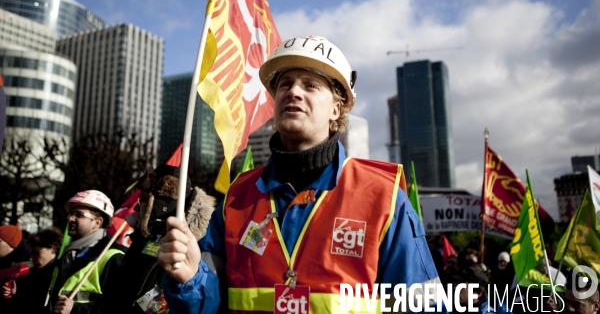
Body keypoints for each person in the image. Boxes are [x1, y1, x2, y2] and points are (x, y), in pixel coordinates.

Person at [157, 36, 445, 313]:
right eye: (285, 84)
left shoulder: (384, 197)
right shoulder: (237, 197)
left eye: (310, 85)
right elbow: (209, 304)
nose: (293, 91)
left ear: (336, 108)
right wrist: (191, 277)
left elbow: (422, 307)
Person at [107, 164, 216, 313]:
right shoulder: (144, 238)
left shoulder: (196, 247)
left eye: (143, 200)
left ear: (162, 203)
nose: (137, 208)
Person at [49, 190, 126, 314]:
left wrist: (74, 310)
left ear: (97, 223)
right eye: (71, 214)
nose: (71, 219)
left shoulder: (114, 257)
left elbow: (117, 308)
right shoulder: (68, 254)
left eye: (79, 215)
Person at [4, 228, 63, 313]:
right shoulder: (32, 273)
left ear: (53, 248)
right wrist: (15, 294)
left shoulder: (61, 274)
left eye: (36, 253)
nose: (31, 258)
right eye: (30, 253)